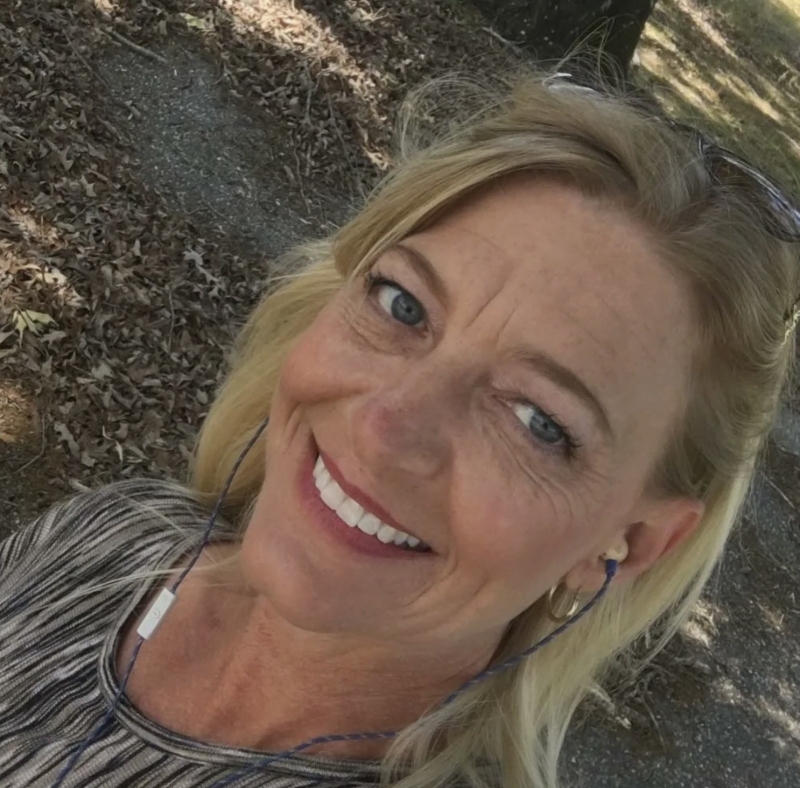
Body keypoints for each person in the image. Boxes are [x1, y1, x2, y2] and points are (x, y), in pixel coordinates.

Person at [1, 69, 798, 788]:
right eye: (403, 304)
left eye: (537, 421)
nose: (385, 428)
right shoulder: (117, 533)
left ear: (633, 541)